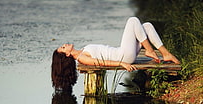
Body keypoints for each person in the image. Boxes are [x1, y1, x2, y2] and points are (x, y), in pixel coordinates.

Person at [51, 16, 180, 90]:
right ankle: (149, 50)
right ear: (67, 55)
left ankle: (165, 53)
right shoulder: (82, 58)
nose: (65, 45)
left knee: (146, 26)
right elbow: (102, 63)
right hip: (123, 56)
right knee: (133, 21)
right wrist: (121, 64)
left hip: (123, 53)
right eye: (63, 48)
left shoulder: (82, 51)